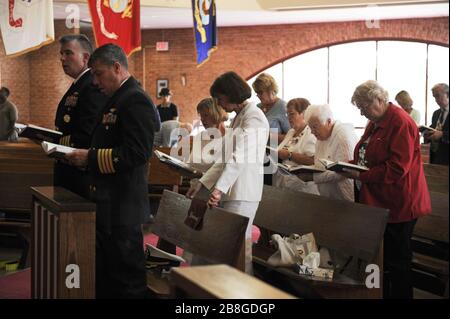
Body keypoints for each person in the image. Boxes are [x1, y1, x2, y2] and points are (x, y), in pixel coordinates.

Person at [65, 43, 157, 299]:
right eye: (92, 74)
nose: (94, 81)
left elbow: (137, 153)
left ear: (117, 67)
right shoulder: (115, 99)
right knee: (106, 277)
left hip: (122, 204)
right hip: (108, 201)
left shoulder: (135, 99)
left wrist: (89, 158)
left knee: (126, 281)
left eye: (98, 73)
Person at [342, 80, 431, 299]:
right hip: (379, 201)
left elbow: (397, 168)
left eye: (364, 108)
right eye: (360, 109)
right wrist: (346, 164)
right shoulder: (376, 120)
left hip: (400, 202)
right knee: (383, 258)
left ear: (380, 100)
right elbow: (366, 153)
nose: (363, 114)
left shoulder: (400, 122)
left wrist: (361, 175)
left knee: (397, 262)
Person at [186, 71, 269, 274]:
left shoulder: (254, 118)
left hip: (243, 193)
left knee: (239, 250)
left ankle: (244, 297)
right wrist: (203, 185)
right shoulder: (239, 117)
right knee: (221, 248)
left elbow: (239, 157)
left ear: (232, 94)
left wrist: (218, 189)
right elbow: (223, 159)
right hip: (231, 191)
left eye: (220, 98)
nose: (219, 103)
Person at [54, 34, 107, 198]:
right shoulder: (79, 84)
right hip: (70, 166)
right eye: (61, 54)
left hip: (79, 170)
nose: (62, 58)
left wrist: (53, 141)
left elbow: (88, 132)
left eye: (68, 53)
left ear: (85, 58)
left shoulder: (91, 85)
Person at [300, 104, 358, 202]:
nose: (312, 132)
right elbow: (319, 164)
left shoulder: (343, 136)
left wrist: (313, 177)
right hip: (327, 195)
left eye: (315, 127)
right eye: (310, 128)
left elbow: (344, 172)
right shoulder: (321, 136)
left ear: (329, 121)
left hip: (344, 197)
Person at [273, 98, 319, 195]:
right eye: (287, 114)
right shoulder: (291, 132)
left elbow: (314, 160)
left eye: (292, 114)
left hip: (303, 188)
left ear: (304, 114)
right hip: (284, 184)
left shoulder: (311, 133)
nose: (288, 118)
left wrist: (289, 155)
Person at [252, 73, 290, 142]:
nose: (258, 95)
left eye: (260, 92)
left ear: (270, 90)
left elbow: (292, 138)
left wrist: (267, 135)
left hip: (274, 151)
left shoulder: (283, 107)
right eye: (256, 93)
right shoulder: (257, 107)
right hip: (257, 150)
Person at [424, 83, 449, 165]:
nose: (436, 100)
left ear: (447, 94)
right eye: (434, 97)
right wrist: (426, 132)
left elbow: (441, 133)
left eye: (438, 96)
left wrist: (442, 135)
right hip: (436, 157)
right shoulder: (436, 113)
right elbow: (433, 128)